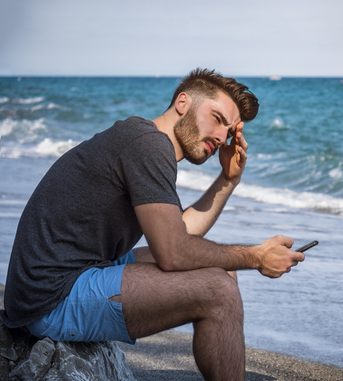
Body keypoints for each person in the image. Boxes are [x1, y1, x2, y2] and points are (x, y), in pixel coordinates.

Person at [3, 68, 305, 381]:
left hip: (76, 271)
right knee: (220, 291)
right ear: (183, 102)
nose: (221, 136)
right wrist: (256, 256)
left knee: (223, 271)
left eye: (229, 131)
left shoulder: (142, 139)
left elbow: (179, 233)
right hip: (51, 297)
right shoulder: (149, 144)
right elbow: (173, 254)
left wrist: (228, 180)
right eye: (217, 118)